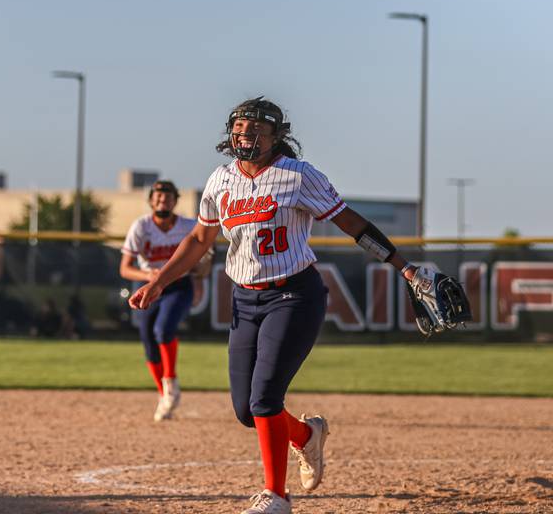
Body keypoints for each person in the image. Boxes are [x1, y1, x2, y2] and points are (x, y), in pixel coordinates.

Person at [130, 97, 431, 513]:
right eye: (239, 130)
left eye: (256, 131)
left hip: (294, 294)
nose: (245, 137)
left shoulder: (298, 176)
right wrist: (160, 281)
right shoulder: (220, 180)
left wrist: (405, 267)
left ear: (277, 136)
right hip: (244, 298)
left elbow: (352, 223)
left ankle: (276, 496)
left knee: (265, 398)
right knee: (245, 410)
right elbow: (200, 240)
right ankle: (306, 437)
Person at [121, 180, 205, 421]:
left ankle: (170, 380)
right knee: (148, 340)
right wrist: (149, 275)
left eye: (167, 198)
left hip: (177, 285)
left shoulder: (188, 225)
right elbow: (125, 268)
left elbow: (201, 260)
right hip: (147, 285)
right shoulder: (141, 226)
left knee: (163, 329)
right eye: (158, 198)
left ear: (175, 201)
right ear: (150, 201)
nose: (162, 202)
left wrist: (199, 277)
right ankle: (165, 395)